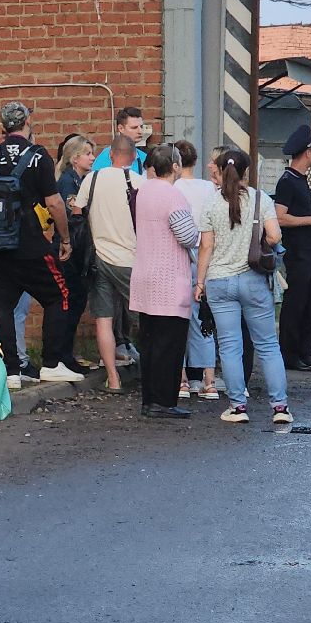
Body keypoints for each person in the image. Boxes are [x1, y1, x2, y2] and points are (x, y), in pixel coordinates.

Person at [0, 101, 79, 385]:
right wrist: (65, 237)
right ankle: (53, 362)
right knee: (59, 295)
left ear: (2, 127)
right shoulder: (38, 155)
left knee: (1, 305)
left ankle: (10, 371)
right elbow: (54, 203)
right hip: (30, 243)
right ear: (27, 124)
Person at [196, 148, 290, 426]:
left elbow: (206, 246)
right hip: (253, 280)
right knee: (268, 345)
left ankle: (238, 407)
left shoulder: (212, 203)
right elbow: (275, 235)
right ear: (247, 171)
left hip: (219, 282)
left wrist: (199, 282)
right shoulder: (261, 199)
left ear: (221, 169)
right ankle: (280, 407)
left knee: (229, 346)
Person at [130, 144, 202, 418]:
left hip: (145, 275)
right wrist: (199, 236)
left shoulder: (143, 191)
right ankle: (164, 400)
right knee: (169, 344)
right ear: (173, 167)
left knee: (149, 343)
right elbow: (187, 236)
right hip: (169, 279)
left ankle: (150, 399)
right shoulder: (174, 195)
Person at [74, 130, 145, 391]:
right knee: (147, 316)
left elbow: (77, 210)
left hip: (98, 259)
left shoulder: (91, 179)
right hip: (130, 258)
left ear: (111, 154)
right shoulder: (138, 181)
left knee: (103, 319)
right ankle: (159, 373)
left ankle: (113, 379)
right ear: (133, 156)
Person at [273, 125, 311, 371]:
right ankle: (289, 354)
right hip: (296, 252)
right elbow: (279, 217)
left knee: (308, 302)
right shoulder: (287, 181)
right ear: (306, 152)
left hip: (307, 251)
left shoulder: (301, 181)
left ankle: (305, 352)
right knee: (295, 303)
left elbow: (299, 213)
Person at [172, 140, 221, 400]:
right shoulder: (209, 188)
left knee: (179, 320)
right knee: (204, 321)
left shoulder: (172, 187)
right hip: (207, 258)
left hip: (180, 258)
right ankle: (209, 380)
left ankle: (181, 381)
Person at [56, 135, 97, 369]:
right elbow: (74, 216)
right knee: (70, 301)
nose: (92, 158)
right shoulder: (68, 183)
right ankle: (64, 355)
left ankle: (67, 354)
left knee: (77, 300)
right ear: (75, 158)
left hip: (80, 249)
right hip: (69, 249)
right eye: (88, 154)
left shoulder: (80, 181)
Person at [92, 105, 150, 173]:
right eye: (134, 128)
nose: (140, 131)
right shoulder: (106, 156)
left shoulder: (144, 157)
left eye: (141, 127)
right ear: (121, 128)